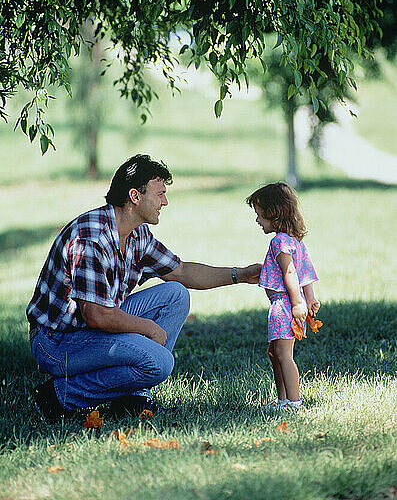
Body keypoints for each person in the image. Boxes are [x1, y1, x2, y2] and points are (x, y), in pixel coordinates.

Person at [27, 154, 261, 419]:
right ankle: (61, 395)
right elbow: (96, 315)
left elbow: (181, 271)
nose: (165, 201)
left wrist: (240, 274)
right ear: (135, 197)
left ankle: (134, 398)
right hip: (58, 342)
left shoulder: (136, 233)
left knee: (175, 295)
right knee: (159, 363)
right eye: (160, 194)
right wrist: (147, 327)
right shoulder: (91, 238)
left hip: (89, 328)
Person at [246, 182, 320, 411]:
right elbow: (306, 273)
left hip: (284, 305)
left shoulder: (279, 241)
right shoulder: (295, 240)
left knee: (283, 356)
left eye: (259, 215)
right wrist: (310, 299)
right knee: (274, 353)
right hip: (287, 304)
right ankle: (283, 400)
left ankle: (294, 402)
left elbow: (291, 272)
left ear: (273, 213)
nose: (257, 220)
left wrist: (299, 303)